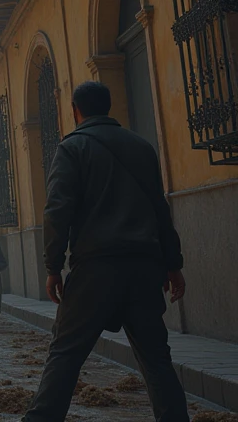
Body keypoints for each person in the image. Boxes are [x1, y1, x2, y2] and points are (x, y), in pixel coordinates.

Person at [23, 81, 188, 422]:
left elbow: (57, 211)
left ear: (74, 110)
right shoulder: (142, 147)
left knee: (66, 353)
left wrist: (52, 266)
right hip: (145, 267)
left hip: (95, 269)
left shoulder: (73, 148)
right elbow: (160, 209)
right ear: (109, 106)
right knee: (157, 359)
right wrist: (173, 264)